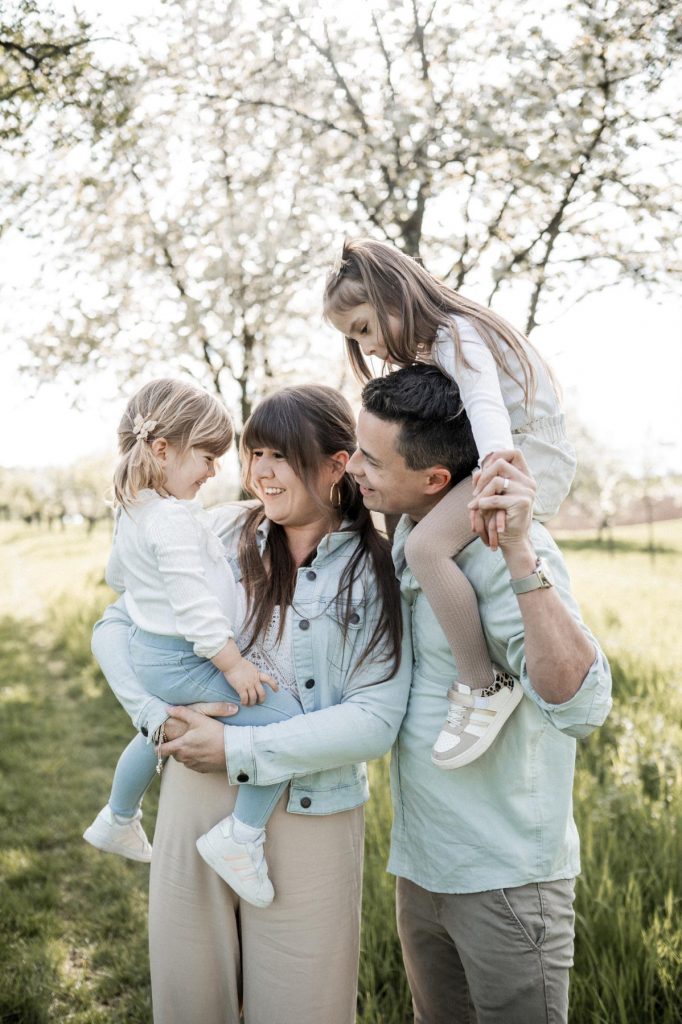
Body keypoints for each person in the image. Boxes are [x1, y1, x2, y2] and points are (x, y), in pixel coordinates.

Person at [90, 383, 412, 1024]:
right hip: (195, 787)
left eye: (280, 456)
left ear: (335, 464)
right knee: (192, 1001)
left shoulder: (377, 568)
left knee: (303, 1007)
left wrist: (239, 746)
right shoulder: (214, 529)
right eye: (252, 452)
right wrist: (150, 713)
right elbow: (115, 625)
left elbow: (375, 719)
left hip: (309, 805)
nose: (259, 472)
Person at [346, 363, 612, 1023]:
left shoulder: (499, 550)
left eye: (371, 460)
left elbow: (583, 706)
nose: (354, 467)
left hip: (505, 880)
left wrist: (522, 554)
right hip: (423, 865)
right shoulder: (411, 536)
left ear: (436, 479)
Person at [324, 237, 577, 769]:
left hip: (524, 458)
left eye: (365, 328)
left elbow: (486, 407)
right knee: (399, 512)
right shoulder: (440, 341)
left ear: (395, 295)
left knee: (428, 549)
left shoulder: (456, 334)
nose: (367, 347)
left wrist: (496, 475)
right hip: (505, 452)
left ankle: (483, 683)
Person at [83, 377, 308, 908]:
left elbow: (118, 577)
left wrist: (149, 592)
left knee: (161, 725)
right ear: (163, 450)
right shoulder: (169, 520)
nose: (215, 471)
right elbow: (195, 611)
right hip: (187, 657)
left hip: (154, 653)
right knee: (284, 724)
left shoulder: (133, 508)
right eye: (208, 457)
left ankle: (118, 816)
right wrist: (234, 667)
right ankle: (242, 837)